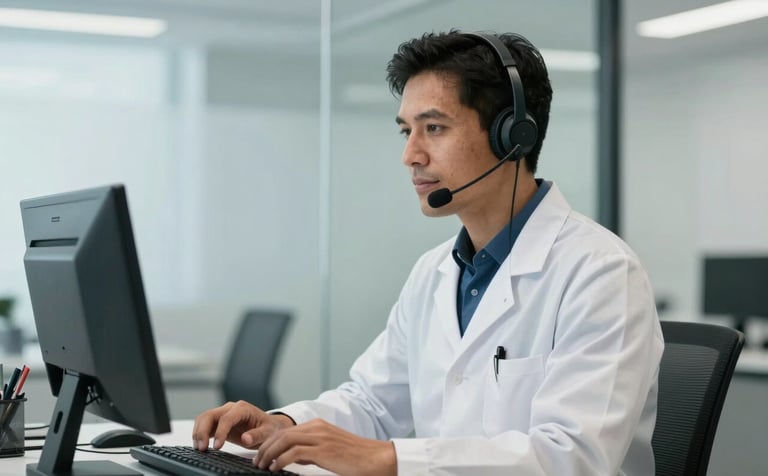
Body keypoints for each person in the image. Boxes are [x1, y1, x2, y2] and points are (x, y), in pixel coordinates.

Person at [193, 30, 664, 475]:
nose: (411, 155)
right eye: (407, 132)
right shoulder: (435, 271)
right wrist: (285, 424)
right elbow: (374, 402)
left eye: (434, 127)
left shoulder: (600, 272)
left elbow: (572, 458)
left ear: (512, 136)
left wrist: (390, 460)